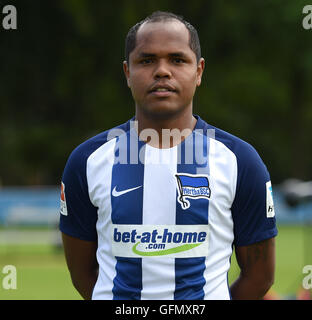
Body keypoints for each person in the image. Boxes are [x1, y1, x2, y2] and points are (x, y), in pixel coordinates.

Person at [59, 11, 277, 300]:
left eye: (177, 59)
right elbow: (83, 274)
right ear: (127, 72)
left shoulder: (240, 161)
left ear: (199, 71)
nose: (162, 71)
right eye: (147, 60)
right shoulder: (86, 161)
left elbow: (260, 276)